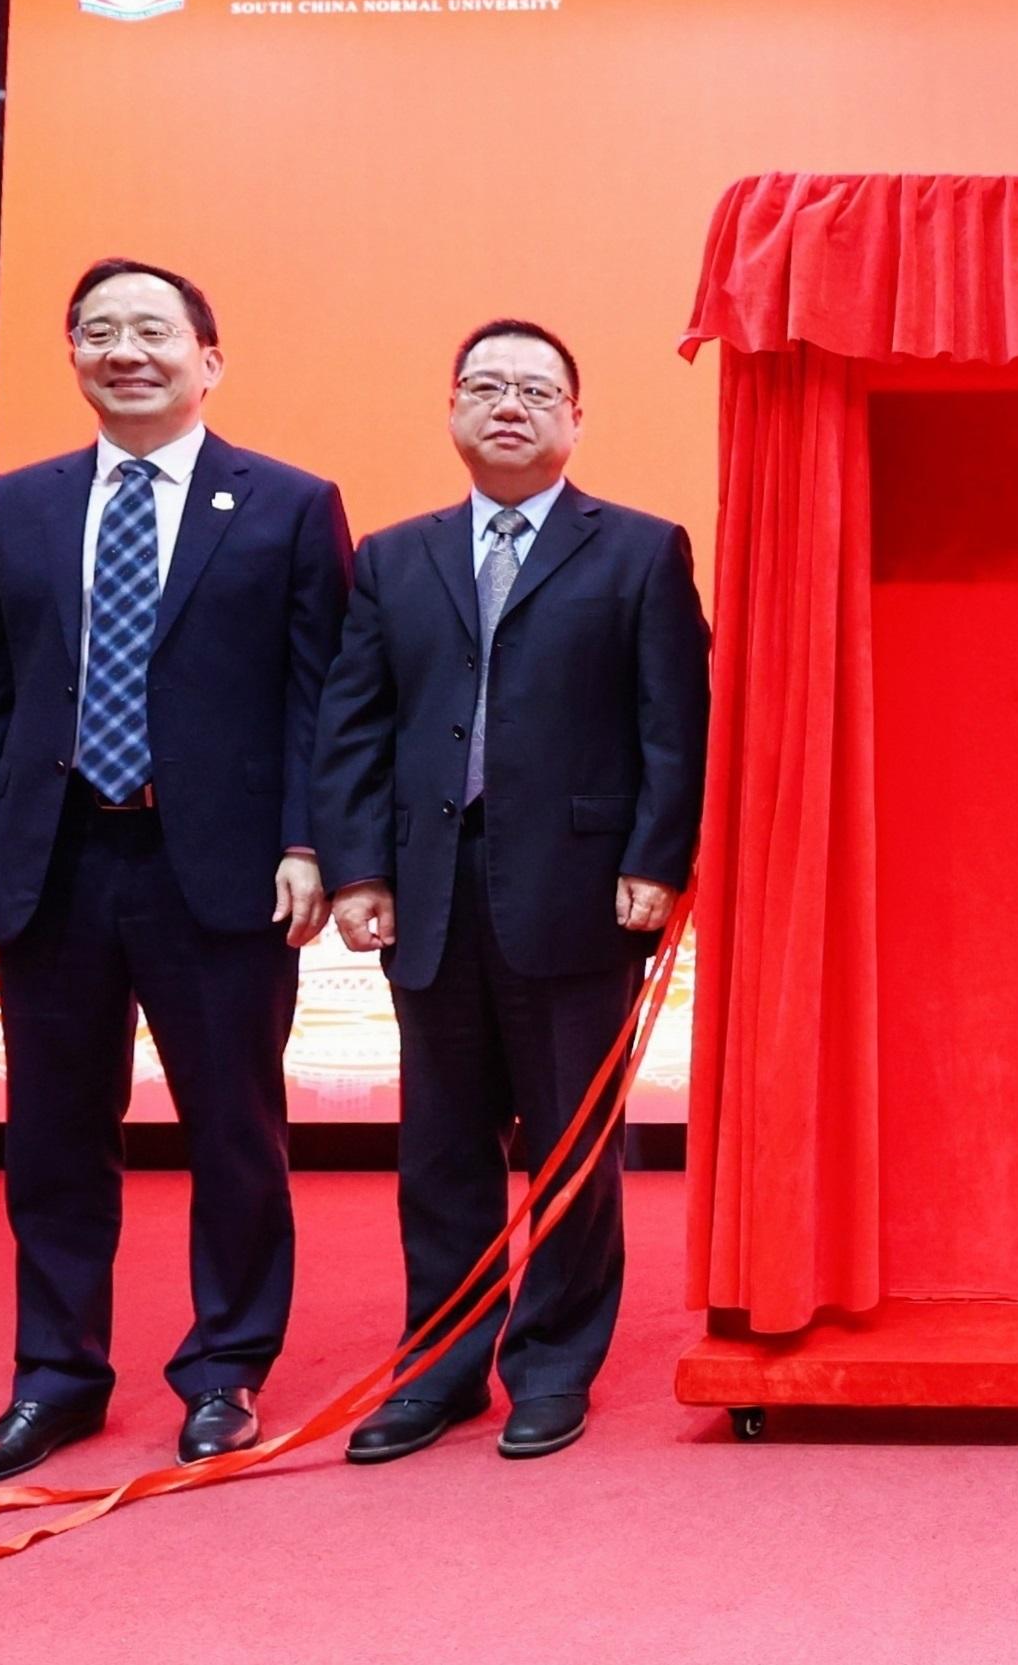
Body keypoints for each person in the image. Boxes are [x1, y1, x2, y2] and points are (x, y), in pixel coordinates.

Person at [0, 258, 352, 1488]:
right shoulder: (21, 504)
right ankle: (54, 1376)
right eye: (97, 331)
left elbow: (324, 695)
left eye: (152, 330)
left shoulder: (288, 503)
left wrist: (311, 841)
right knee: (54, 1135)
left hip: (217, 869)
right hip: (50, 864)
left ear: (208, 357)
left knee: (234, 1130)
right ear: (73, 356)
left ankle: (225, 1369)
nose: (126, 350)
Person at [315, 319, 710, 1464]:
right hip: (430, 894)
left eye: (536, 390)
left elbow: (671, 725)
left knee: (572, 1148)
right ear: (450, 411)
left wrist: (654, 859)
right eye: (484, 387)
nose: (508, 406)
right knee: (440, 1148)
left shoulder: (638, 550)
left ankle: (551, 1367)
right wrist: (356, 869)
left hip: (581, 895)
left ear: (575, 420)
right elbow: (354, 726)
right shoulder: (393, 557)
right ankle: (437, 1369)